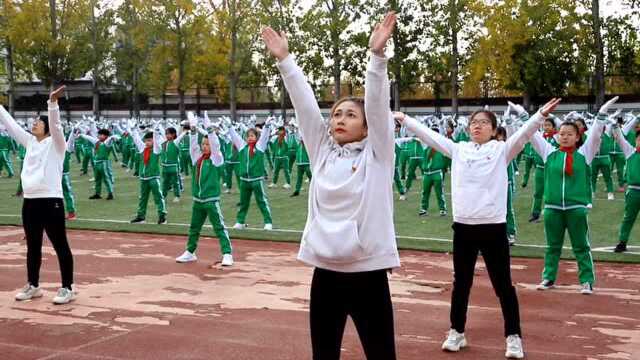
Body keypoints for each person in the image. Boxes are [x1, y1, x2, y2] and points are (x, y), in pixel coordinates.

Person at [263, 12, 401, 360]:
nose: (340, 119)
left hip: (368, 274)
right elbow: (306, 109)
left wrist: (377, 58)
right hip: (325, 275)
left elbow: (378, 105)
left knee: (381, 354)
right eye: (337, 114)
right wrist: (286, 60)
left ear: (368, 127)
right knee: (323, 354)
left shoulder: (379, 154)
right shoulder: (322, 153)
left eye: (351, 115)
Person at [398, 97, 563, 359]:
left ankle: (513, 337)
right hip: (463, 227)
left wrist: (540, 114)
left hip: (493, 228)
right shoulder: (458, 149)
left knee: (503, 285)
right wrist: (405, 119)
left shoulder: (502, 150)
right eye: (474, 122)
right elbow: (429, 137)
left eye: (484, 123)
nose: (477, 126)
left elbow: (523, 134)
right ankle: (456, 331)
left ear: (494, 129)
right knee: (460, 284)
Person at [532, 97, 619, 295]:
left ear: (577, 137)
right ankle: (548, 277)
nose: (564, 137)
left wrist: (602, 114)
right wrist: (530, 117)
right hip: (553, 208)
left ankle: (587, 281)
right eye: (562, 134)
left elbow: (596, 134)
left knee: (581, 246)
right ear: (557, 136)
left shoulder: (584, 154)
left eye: (569, 134)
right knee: (552, 246)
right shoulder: (549, 153)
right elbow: (531, 135)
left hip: (576, 209)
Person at [0, 86, 76, 304]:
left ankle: (67, 288)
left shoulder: (57, 144)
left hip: (51, 200)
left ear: (47, 127)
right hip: (30, 202)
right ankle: (33, 285)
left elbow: (57, 125)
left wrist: (52, 103)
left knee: (60, 245)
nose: (33, 123)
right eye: (33, 121)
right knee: (33, 246)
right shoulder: (30, 142)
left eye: (37, 121)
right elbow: (11, 126)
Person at [175, 114, 233, 266]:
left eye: (207, 144)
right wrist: (193, 130)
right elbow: (193, 147)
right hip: (198, 200)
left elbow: (216, 146)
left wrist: (210, 130)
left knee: (219, 227)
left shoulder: (216, 159)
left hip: (211, 200)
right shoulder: (198, 159)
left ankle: (227, 253)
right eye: (203, 144)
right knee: (194, 227)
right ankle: (190, 252)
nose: (204, 146)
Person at [230, 122, 274, 231]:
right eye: (248, 136)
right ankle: (240, 221)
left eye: (252, 136)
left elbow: (264, 137)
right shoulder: (242, 147)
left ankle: (268, 222)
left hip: (256, 180)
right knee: (243, 202)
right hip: (244, 180)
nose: (250, 138)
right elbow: (235, 137)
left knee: (261, 201)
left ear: (256, 137)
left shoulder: (260, 147)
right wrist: (230, 127)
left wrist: (267, 127)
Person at [129, 121, 167, 225]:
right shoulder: (143, 149)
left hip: (154, 178)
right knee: (142, 198)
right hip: (144, 178)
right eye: (146, 141)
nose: (147, 143)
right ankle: (141, 217)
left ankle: (162, 216)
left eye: (149, 141)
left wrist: (155, 131)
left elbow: (157, 141)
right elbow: (137, 140)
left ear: (153, 141)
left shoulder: (156, 150)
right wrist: (133, 130)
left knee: (158, 197)